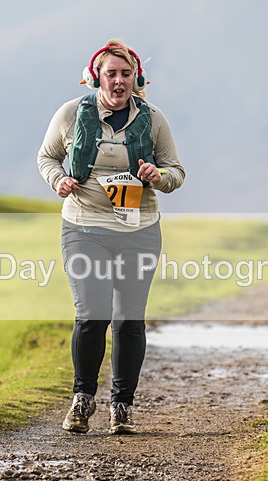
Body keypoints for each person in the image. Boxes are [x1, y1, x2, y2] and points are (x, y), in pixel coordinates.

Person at [37, 39, 185, 435]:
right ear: (96, 78)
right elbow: (46, 157)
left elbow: (176, 172)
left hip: (139, 230)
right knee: (93, 314)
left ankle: (122, 406)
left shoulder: (153, 119)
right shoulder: (72, 113)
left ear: (137, 78)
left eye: (126, 74)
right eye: (111, 74)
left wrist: (158, 176)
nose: (119, 81)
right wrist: (59, 179)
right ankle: (82, 399)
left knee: (129, 319)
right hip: (84, 227)